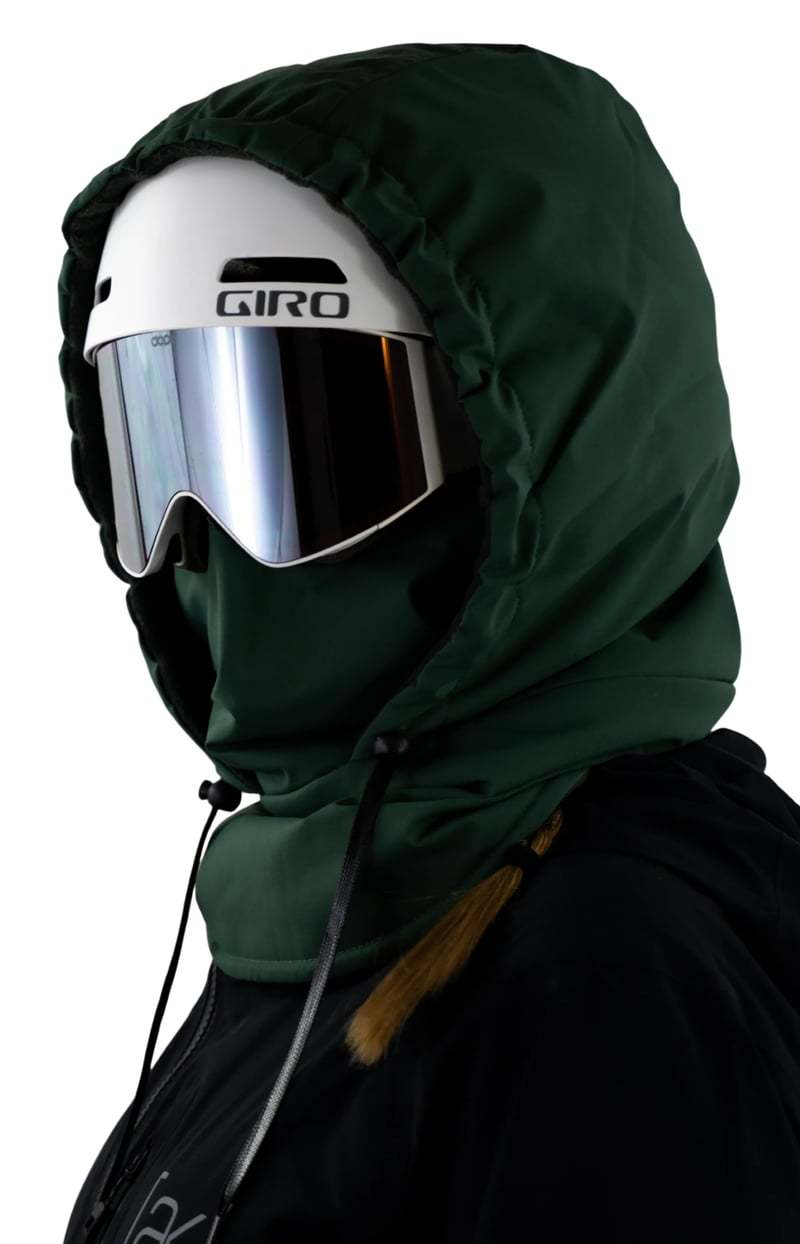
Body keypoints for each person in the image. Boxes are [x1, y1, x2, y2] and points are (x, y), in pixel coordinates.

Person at [57, 41, 800, 1244]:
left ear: (543, 453)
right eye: (165, 446)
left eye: (297, 445)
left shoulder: (611, 959)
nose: (205, 539)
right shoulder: (333, 887)